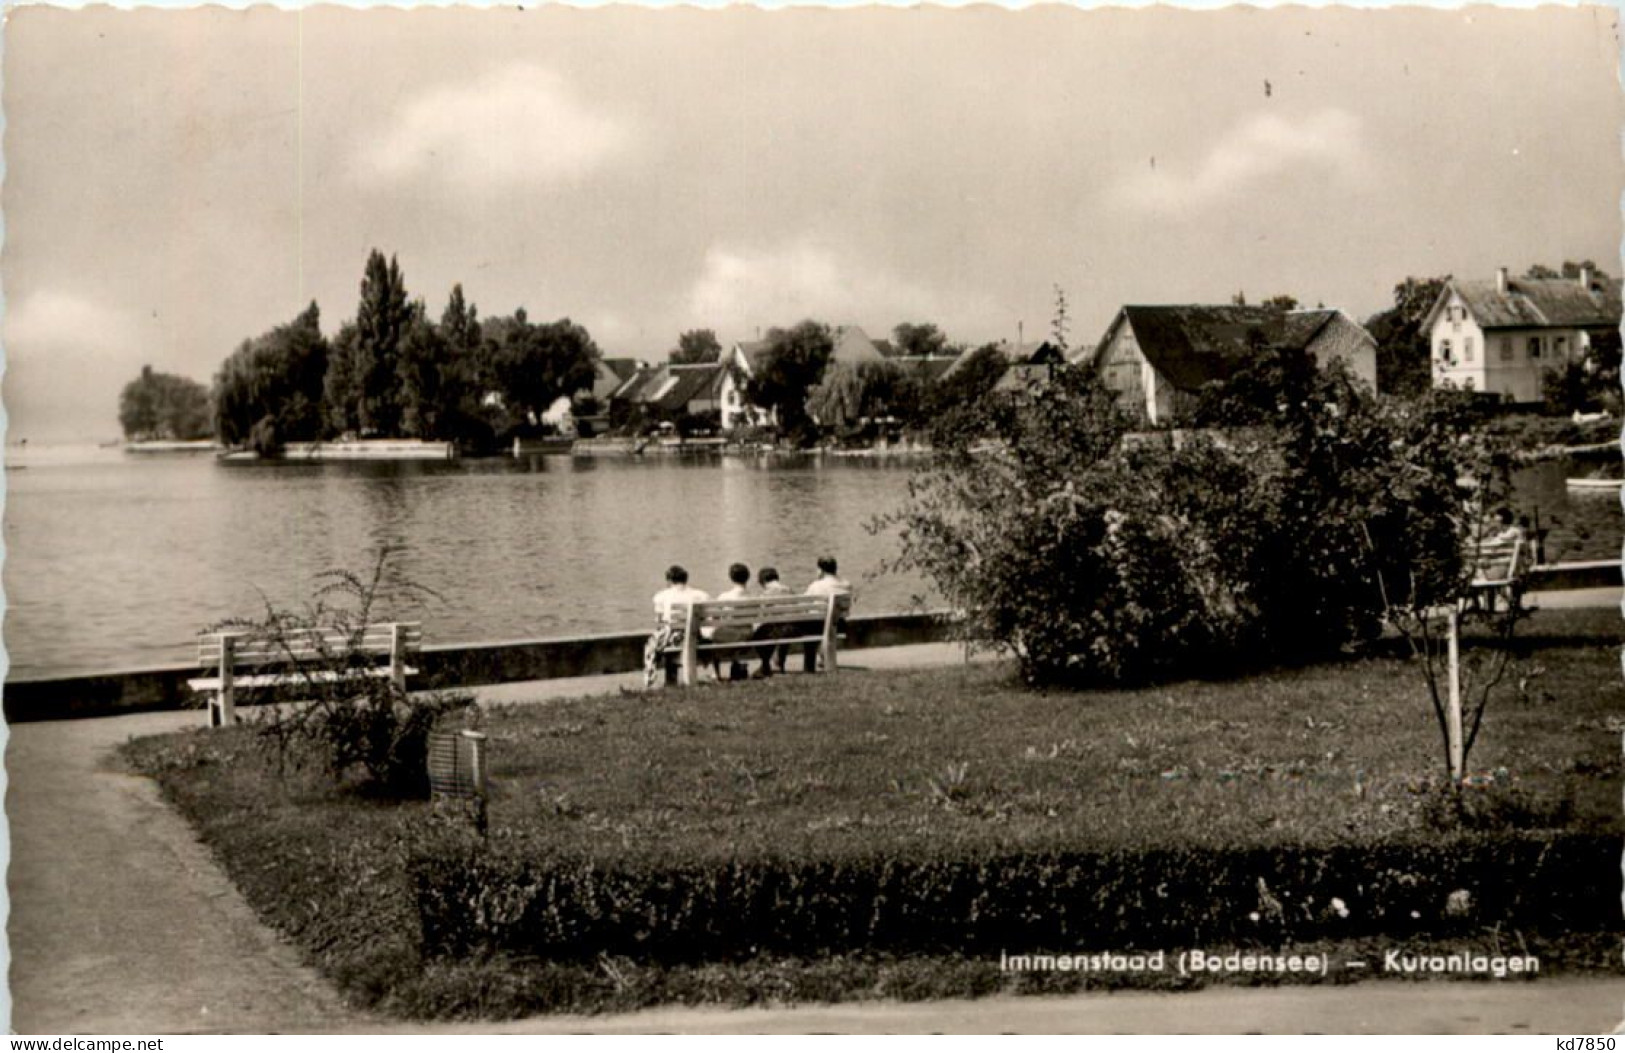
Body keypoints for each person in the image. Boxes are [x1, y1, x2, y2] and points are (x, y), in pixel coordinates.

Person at [644, 565, 709, 688]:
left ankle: (662, 678)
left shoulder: (662, 596)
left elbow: (659, 622)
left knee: (655, 642)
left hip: (675, 639)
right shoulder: (701, 595)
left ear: (669, 581)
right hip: (696, 637)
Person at [801, 556, 853, 672]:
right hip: (839, 624)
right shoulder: (846, 584)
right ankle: (825, 659)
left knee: (808, 629)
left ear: (820, 570)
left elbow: (804, 604)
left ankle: (809, 667)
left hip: (818, 625)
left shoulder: (816, 585)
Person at [713, 563, 754, 680]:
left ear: (731, 577)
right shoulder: (754, 597)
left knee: (713, 634)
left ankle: (717, 674)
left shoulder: (724, 597)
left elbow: (716, 618)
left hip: (730, 635)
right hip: (748, 634)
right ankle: (738, 665)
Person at [752, 566, 793, 676]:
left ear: (762, 581)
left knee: (760, 633)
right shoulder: (789, 590)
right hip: (791, 627)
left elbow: (761, 615)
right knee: (781, 630)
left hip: (775, 629)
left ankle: (765, 665)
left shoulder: (765, 594)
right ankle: (778, 663)